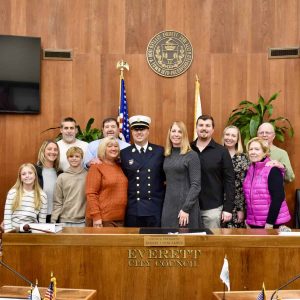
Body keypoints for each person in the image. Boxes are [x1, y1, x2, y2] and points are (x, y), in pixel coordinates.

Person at [120, 115, 165, 227]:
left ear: (148, 131)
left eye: (142, 129)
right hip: (133, 208)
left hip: (154, 207)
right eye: (136, 129)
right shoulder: (124, 153)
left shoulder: (159, 151)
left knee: (154, 242)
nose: (139, 133)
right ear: (131, 131)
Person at [191, 115, 235, 229]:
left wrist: (228, 208)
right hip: (190, 208)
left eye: (207, 125)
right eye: (201, 125)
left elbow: (229, 181)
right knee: (191, 243)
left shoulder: (222, 152)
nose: (204, 128)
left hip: (213, 209)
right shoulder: (187, 148)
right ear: (196, 128)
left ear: (213, 129)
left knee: (211, 244)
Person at [243, 137, 291, 228]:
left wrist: (270, 223)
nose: (253, 152)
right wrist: (248, 220)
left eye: (257, 149)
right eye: (251, 149)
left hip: (271, 224)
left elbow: (278, 197)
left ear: (265, 153)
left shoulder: (273, 170)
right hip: (254, 223)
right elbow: (249, 197)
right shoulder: (249, 170)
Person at [161, 121, 201, 228]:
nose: (176, 134)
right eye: (173, 131)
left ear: (184, 135)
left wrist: (186, 208)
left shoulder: (191, 155)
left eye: (180, 132)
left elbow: (196, 185)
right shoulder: (167, 154)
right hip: (169, 205)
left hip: (186, 208)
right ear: (169, 134)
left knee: (187, 242)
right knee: (167, 241)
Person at [86, 137, 128, 227]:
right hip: (102, 220)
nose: (113, 148)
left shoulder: (120, 166)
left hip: (120, 219)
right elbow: (91, 193)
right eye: (110, 146)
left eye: (116, 146)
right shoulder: (96, 167)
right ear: (103, 148)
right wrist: (96, 217)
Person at [3, 163, 47, 232]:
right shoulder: (12, 193)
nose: (27, 176)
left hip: (32, 233)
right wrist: (9, 234)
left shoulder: (42, 195)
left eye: (30, 173)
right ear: (20, 177)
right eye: (23, 174)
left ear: (35, 175)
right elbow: (7, 217)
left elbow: (42, 221)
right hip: (14, 231)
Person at [51, 147, 87, 226]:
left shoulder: (88, 175)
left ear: (82, 158)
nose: (74, 159)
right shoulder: (62, 177)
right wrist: (53, 220)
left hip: (83, 221)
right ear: (67, 158)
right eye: (71, 156)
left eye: (77, 156)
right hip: (64, 220)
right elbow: (57, 201)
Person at [222, 125, 249, 228]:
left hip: (235, 205)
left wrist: (240, 209)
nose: (229, 138)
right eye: (227, 134)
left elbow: (243, 186)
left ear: (238, 139)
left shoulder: (243, 158)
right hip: (217, 203)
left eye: (233, 135)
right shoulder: (217, 154)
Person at [35, 140, 62, 223]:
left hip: (56, 217)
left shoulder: (60, 173)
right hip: (37, 216)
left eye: (55, 149)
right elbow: (21, 192)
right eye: (49, 149)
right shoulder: (34, 170)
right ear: (43, 151)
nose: (52, 152)